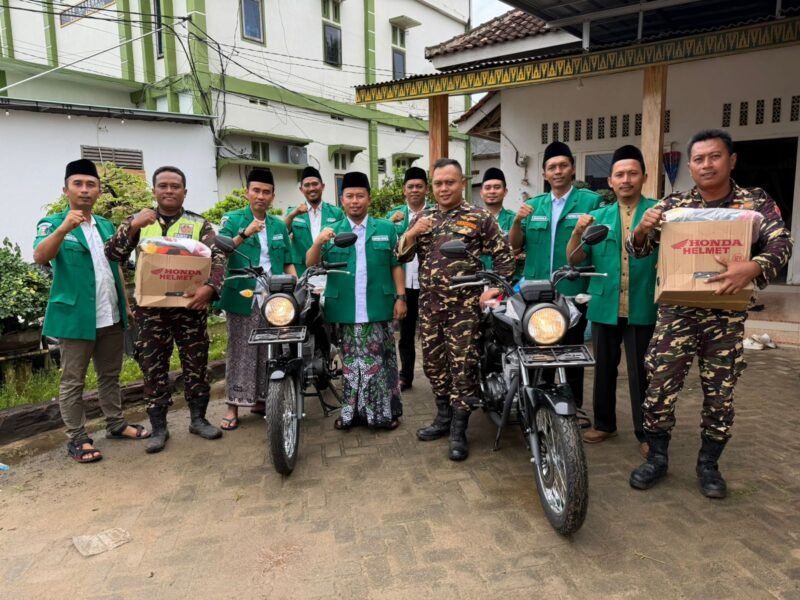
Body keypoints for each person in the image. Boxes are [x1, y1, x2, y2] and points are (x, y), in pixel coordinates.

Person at [626, 129, 793, 498]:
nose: (707, 165)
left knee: (720, 393)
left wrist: (753, 267)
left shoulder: (754, 203)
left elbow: (782, 242)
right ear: (690, 166)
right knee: (659, 386)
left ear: (731, 161)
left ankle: (708, 465)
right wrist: (640, 230)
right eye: (699, 159)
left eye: (715, 157)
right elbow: (639, 250)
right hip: (676, 314)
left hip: (725, 315)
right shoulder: (674, 206)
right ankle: (656, 457)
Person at [397, 158, 513, 461]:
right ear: (431, 186)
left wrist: (495, 288)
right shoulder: (424, 218)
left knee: (462, 368)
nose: (444, 188)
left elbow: (505, 257)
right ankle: (443, 418)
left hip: (464, 310)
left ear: (462, 183)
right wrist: (411, 233)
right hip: (430, 306)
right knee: (434, 366)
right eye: (438, 183)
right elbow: (401, 255)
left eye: (450, 182)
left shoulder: (479, 217)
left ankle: (460, 429)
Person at [105, 166, 226, 453]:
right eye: (163, 186)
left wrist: (210, 288)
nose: (169, 191)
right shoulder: (139, 221)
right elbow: (113, 254)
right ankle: (159, 427)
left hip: (189, 308)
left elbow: (218, 257)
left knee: (196, 365)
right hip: (151, 311)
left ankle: (198, 419)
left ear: (185, 191)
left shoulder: (199, 224)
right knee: (153, 367)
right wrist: (132, 225)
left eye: (175, 186)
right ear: (154, 190)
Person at [33, 159, 147, 463]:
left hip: (110, 312)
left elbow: (115, 266)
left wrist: (126, 303)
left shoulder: (106, 225)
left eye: (90, 184)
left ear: (98, 191)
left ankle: (115, 424)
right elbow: (41, 255)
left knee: (110, 374)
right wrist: (63, 229)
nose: (84, 190)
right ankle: (78, 438)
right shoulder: (52, 222)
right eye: (78, 184)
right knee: (74, 380)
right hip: (75, 317)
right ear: (66, 189)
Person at [566, 145, 658, 458]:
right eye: (620, 174)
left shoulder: (658, 213)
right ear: (610, 181)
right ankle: (605, 423)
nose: (626, 179)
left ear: (644, 177)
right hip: (605, 304)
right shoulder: (599, 218)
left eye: (633, 173)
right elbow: (576, 260)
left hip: (643, 303)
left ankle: (646, 431)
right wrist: (577, 232)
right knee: (603, 367)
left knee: (642, 371)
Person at [306, 171, 406, 430]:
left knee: (379, 364)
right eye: (349, 196)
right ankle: (351, 414)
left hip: (378, 306)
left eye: (360, 196)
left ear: (369, 199)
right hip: (346, 308)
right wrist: (318, 242)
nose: (354, 201)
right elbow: (311, 263)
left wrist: (401, 298)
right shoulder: (333, 231)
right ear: (342, 200)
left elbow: (396, 266)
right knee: (350, 365)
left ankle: (382, 415)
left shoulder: (385, 228)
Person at [508, 141, 602, 411]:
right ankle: (539, 407)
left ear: (572, 169)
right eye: (552, 167)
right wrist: (516, 221)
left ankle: (572, 408)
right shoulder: (534, 205)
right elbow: (515, 246)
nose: (558, 171)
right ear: (544, 174)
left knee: (571, 352)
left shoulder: (590, 202)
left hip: (572, 289)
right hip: (536, 291)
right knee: (537, 351)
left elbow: (593, 247)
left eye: (563, 165)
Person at [216, 169, 297, 431]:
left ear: (273, 196)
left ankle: (263, 399)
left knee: (270, 350)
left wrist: (295, 288)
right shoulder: (233, 219)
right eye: (256, 191)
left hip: (274, 298)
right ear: (247, 192)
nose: (261, 196)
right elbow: (222, 252)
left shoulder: (277, 225)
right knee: (241, 349)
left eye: (266, 192)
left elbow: (287, 262)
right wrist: (245, 233)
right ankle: (233, 404)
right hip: (243, 295)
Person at [386, 166, 432, 391]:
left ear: (426, 189)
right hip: (406, 284)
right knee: (405, 334)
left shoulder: (435, 213)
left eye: (419, 186)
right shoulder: (394, 216)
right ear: (404, 190)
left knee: (433, 333)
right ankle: (405, 376)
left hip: (430, 285)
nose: (414, 190)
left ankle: (437, 378)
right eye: (410, 186)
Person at [285, 166, 344, 275]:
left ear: (322, 186)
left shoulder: (336, 213)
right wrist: (292, 215)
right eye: (307, 185)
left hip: (328, 270)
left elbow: (343, 243)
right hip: (301, 272)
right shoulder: (293, 213)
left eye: (315, 184)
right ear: (301, 190)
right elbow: (282, 232)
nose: (311, 188)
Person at [478, 167, 523, 280]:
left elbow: (519, 249)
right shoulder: (472, 219)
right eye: (487, 188)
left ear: (505, 192)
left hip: (509, 281)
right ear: (481, 192)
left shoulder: (514, 220)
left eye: (497, 187)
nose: (492, 191)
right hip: (478, 280)